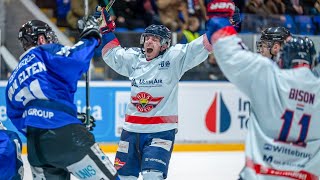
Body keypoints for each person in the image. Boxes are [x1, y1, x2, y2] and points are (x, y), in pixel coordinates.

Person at [95, 3, 218, 179]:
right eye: (147, 38)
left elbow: (201, 45)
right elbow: (112, 54)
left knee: (153, 176)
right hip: (131, 132)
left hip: (160, 132)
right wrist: (106, 31)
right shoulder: (134, 58)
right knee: (123, 177)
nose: (149, 41)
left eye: (155, 39)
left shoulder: (175, 58)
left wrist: (224, 24)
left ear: (164, 45)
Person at [206, 4, 320, 179]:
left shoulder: (265, 76)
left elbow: (230, 52)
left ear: (279, 51)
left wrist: (220, 16)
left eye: (264, 46)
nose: (259, 49)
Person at [5, 17, 119, 179]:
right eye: (49, 36)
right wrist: (91, 36)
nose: (52, 40)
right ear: (41, 39)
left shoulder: (13, 80)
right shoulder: (44, 52)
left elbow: (18, 118)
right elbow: (76, 59)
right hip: (66, 135)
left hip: (36, 147)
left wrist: (67, 117)